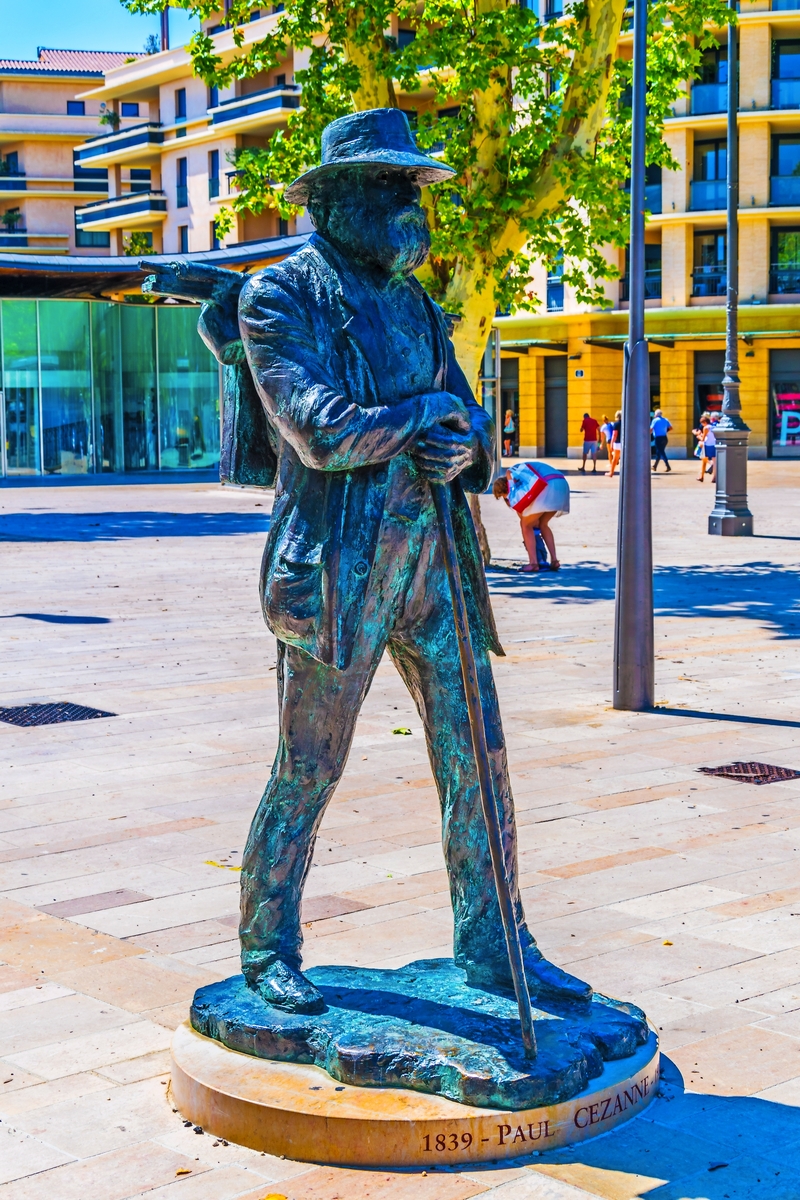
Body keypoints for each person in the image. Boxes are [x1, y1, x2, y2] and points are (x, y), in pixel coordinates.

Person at [212, 108, 590, 1014]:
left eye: (413, 186)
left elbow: (467, 417)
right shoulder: (280, 296)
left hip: (437, 565)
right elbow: (317, 429)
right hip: (338, 573)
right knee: (309, 767)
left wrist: (469, 453)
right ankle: (269, 950)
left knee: (479, 757)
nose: (410, 202)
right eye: (390, 185)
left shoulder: (417, 303)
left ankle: (497, 945)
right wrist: (425, 420)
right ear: (335, 198)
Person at [493, 461, 569, 572]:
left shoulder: (511, 476)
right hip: (561, 483)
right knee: (543, 524)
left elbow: (522, 512)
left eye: (504, 498)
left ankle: (533, 563)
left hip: (548, 484)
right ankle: (554, 560)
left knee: (525, 525)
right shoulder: (522, 481)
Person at [694, 414, 716, 482]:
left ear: (704, 422)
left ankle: (702, 476)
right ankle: (714, 477)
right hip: (714, 444)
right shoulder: (713, 427)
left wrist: (697, 435)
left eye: (702, 423)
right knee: (714, 461)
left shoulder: (706, 428)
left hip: (707, 445)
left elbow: (703, 439)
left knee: (703, 460)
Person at [650, 408, 672, 473]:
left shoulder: (655, 420)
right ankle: (654, 466)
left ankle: (668, 466)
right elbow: (671, 428)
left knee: (661, 452)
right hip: (664, 438)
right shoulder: (666, 420)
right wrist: (665, 431)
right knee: (659, 452)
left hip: (658, 438)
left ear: (656, 414)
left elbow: (651, 429)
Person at [607, 410, 622, 477]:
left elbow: (614, 435)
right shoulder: (626, 423)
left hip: (617, 444)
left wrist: (611, 444)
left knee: (615, 459)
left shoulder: (616, 424)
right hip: (625, 443)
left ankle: (611, 472)